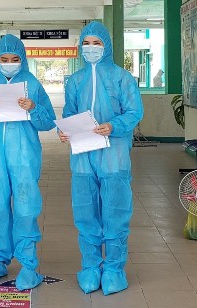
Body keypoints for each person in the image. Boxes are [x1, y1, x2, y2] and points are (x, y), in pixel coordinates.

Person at [58, 21, 143, 296]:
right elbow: (70, 113)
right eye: (87, 43)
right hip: (83, 154)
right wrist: (65, 132)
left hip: (114, 153)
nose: (91, 48)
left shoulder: (122, 77)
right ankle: (91, 267)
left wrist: (114, 126)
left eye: (97, 43)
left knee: (115, 210)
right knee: (85, 211)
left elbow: (134, 112)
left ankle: (115, 269)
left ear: (106, 46)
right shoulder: (76, 80)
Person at [0, 34, 56, 291]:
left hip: (24, 156)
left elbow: (48, 121)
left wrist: (33, 107)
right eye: (4, 59)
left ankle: (28, 265)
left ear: (23, 59)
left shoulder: (32, 85)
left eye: (14, 59)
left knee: (26, 207)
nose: (9, 63)